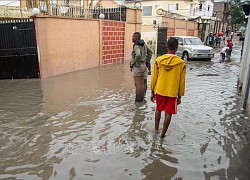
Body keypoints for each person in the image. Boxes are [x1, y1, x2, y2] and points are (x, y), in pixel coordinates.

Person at [150, 38, 186, 138]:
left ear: (167, 46)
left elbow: (154, 78)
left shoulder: (158, 60)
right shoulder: (181, 63)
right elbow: (182, 82)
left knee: (158, 109)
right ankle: (162, 135)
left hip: (160, 90)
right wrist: (180, 96)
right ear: (176, 48)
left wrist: (152, 91)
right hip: (172, 92)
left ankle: (156, 130)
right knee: (168, 114)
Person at [130, 32, 152, 102]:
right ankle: (143, 99)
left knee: (138, 85)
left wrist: (133, 63)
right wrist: (147, 61)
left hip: (138, 66)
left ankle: (138, 102)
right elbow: (150, 52)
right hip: (144, 65)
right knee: (143, 84)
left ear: (135, 38)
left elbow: (138, 55)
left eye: (133, 37)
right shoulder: (144, 44)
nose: (132, 38)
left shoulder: (136, 46)